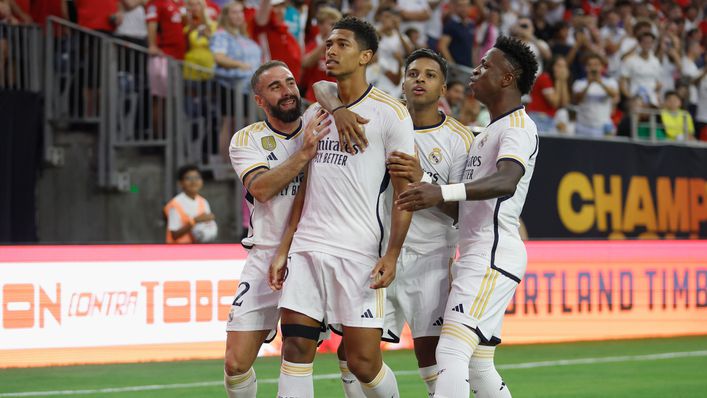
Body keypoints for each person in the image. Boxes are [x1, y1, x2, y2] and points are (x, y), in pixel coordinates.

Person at [313, 48, 474, 397]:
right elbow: (321, 87)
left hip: (430, 259)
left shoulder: (460, 139)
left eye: (430, 75)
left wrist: (426, 180)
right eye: (413, 73)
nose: (420, 80)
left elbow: (466, 214)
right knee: (353, 356)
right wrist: (339, 109)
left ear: (444, 88)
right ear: (402, 80)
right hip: (378, 253)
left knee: (431, 357)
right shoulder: (382, 115)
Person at [269, 16, 415, 398]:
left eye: (342, 44)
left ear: (366, 56)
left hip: (358, 252)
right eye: (329, 43)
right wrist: (286, 246)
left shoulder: (391, 114)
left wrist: (393, 254)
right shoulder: (315, 113)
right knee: (296, 348)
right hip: (308, 247)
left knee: (364, 363)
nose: (330, 50)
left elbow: (405, 193)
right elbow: (305, 184)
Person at [396, 35, 539, 398]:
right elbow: (463, 206)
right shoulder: (487, 131)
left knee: (450, 351)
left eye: (485, 66)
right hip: (478, 252)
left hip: (491, 255)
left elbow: (507, 180)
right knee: (478, 364)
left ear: (508, 78)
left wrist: (441, 190)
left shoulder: (518, 128)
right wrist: (427, 182)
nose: (475, 72)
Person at [223, 60, 333, 398]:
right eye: (275, 87)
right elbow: (262, 188)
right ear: (259, 100)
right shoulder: (247, 140)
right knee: (235, 364)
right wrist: (304, 155)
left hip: (311, 252)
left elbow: (331, 89)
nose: (287, 92)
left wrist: (325, 96)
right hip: (264, 252)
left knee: (304, 351)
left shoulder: (320, 120)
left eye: (290, 83)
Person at [211, 0, 261, 159]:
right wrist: (240, 64)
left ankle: (243, 162)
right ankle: (225, 162)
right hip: (230, 85)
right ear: (225, 15)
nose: (239, 15)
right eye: (234, 12)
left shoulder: (243, 36)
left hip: (249, 87)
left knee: (247, 124)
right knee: (229, 122)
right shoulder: (221, 35)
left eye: (241, 12)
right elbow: (218, 57)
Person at [164, 165, 218, 243]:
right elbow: (174, 235)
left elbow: (207, 227)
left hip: (196, 250)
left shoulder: (203, 202)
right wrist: (194, 221)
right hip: (177, 251)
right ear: (180, 183)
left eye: (197, 178)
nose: (194, 181)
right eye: (188, 178)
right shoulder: (175, 204)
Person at [572, 53, 619, 138]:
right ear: (585, 68)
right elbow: (576, 100)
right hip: (583, 127)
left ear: (601, 67)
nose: (593, 68)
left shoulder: (610, 82)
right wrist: (588, 84)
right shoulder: (579, 83)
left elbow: (614, 94)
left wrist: (600, 82)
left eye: (596, 65)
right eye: (590, 65)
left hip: (603, 127)